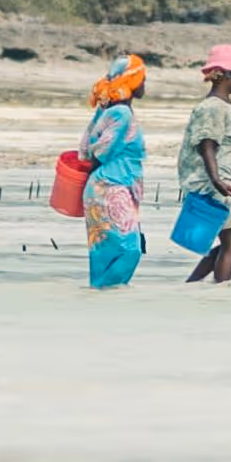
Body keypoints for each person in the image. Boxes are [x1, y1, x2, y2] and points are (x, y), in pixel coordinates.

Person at [180, 44, 231, 282]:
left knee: (228, 245)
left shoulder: (223, 106)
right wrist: (217, 180)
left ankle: (192, 285)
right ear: (226, 76)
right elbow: (207, 143)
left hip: (227, 183)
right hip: (223, 184)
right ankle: (221, 296)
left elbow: (227, 139)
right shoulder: (213, 107)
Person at [78, 54, 150, 289]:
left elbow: (86, 147)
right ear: (132, 82)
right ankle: (108, 297)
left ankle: (100, 301)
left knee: (105, 254)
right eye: (142, 79)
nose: (144, 84)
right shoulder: (121, 114)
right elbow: (99, 153)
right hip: (109, 188)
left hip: (107, 188)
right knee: (130, 251)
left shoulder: (108, 110)